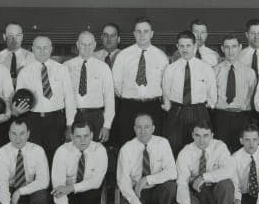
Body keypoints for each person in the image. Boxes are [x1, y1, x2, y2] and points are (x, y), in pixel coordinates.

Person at [116, 113, 177, 204]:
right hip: (136, 192)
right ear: (134, 129)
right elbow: (123, 183)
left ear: (153, 128)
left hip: (156, 190)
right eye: (139, 127)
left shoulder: (163, 143)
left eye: (147, 127)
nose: (143, 131)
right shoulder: (126, 149)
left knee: (170, 186)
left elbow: (172, 172)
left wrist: (147, 179)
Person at [172, 123, 236, 204]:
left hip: (214, 192)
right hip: (195, 193)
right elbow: (181, 182)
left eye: (205, 135)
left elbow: (230, 170)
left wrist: (204, 177)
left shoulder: (220, 147)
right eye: (198, 135)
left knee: (227, 185)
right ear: (192, 135)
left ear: (212, 135)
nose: (201, 140)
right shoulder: (185, 152)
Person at [13, 35, 76, 154]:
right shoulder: (24, 72)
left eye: (45, 47)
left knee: (55, 157)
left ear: (51, 49)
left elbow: (70, 99)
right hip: (32, 121)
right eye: (38, 48)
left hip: (56, 121)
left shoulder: (62, 70)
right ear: (33, 49)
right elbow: (20, 101)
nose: (42, 51)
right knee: (34, 157)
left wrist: (69, 124)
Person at [112, 16, 170, 144]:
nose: (142, 35)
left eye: (146, 31)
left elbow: (166, 85)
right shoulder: (123, 55)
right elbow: (116, 83)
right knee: (127, 143)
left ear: (152, 33)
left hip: (153, 106)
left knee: (154, 145)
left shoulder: (161, 56)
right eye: (138, 31)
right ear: (134, 33)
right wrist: (131, 97)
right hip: (129, 106)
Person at [49, 119, 108, 204]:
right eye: (78, 136)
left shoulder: (99, 150)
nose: (83, 140)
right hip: (68, 195)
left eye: (86, 136)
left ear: (92, 135)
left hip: (89, 194)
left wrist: (71, 187)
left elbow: (96, 182)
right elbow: (58, 187)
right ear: (71, 136)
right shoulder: (62, 151)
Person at [161, 30, 217, 155]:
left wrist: (204, 110)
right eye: (181, 46)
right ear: (177, 47)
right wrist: (171, 110)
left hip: (199, 111)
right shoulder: (170, 69)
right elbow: (166, 94)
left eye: (188, 46)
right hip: (177, 111)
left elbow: (212, 95)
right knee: (175, 147)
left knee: (199, 148)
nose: (184, 49)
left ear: (195, 46)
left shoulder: (206, 68)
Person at [65, 30, 114, 143]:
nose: (86, 48)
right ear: (77, 44)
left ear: (95, 45)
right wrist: (68, 123)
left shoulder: (103, 68)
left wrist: (107, 126)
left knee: (95, 152)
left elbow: (109, 98)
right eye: (83, 44)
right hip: (73, 115)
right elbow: (66, 97)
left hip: (96, 117)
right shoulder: (66, 66)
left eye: (89, 44)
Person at [212, 34, 257, 150]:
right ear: (222, 49)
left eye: (234, 47)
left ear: (240, 47)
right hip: (221, 117)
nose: (230, 51)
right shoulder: (215, 71)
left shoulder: (249, 72)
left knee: (240, 152)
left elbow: (252, 97)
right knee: (220, 151)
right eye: (227, 47)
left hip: (241, 117)